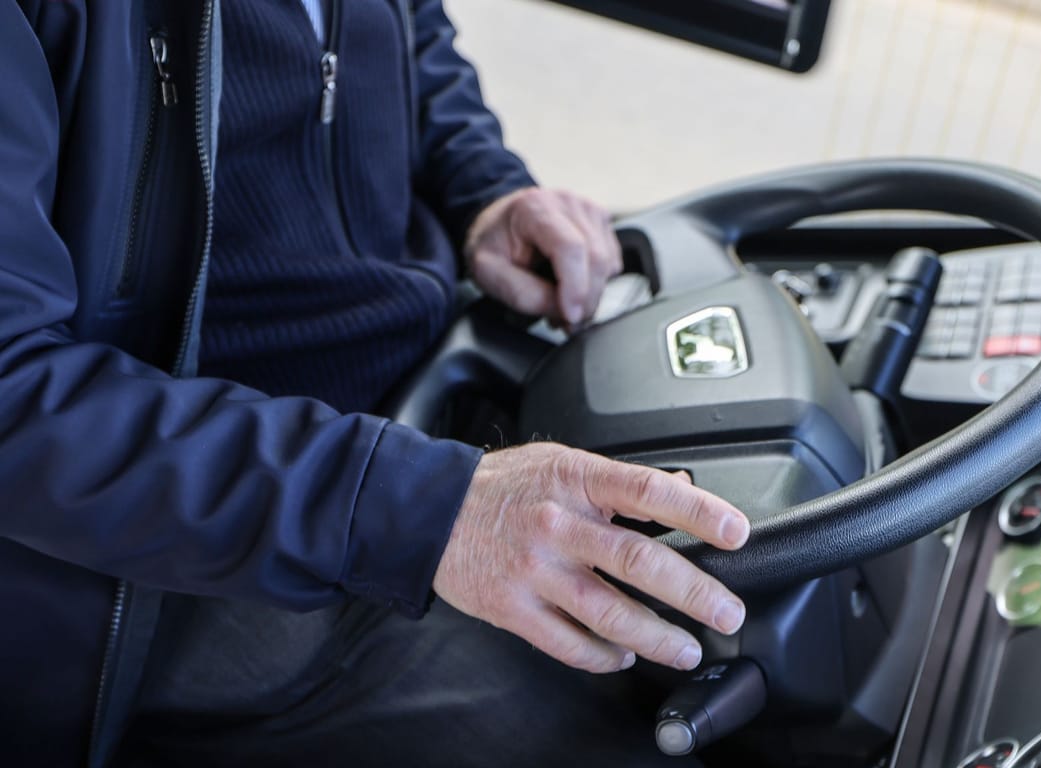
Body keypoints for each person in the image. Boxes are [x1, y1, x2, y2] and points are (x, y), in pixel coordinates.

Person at [1, 1, 749, 765]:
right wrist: (414, 506)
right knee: (637, 736)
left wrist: (485, 191)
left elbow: (405, 30)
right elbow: (10, 394)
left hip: (421, 406)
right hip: (185, 546)